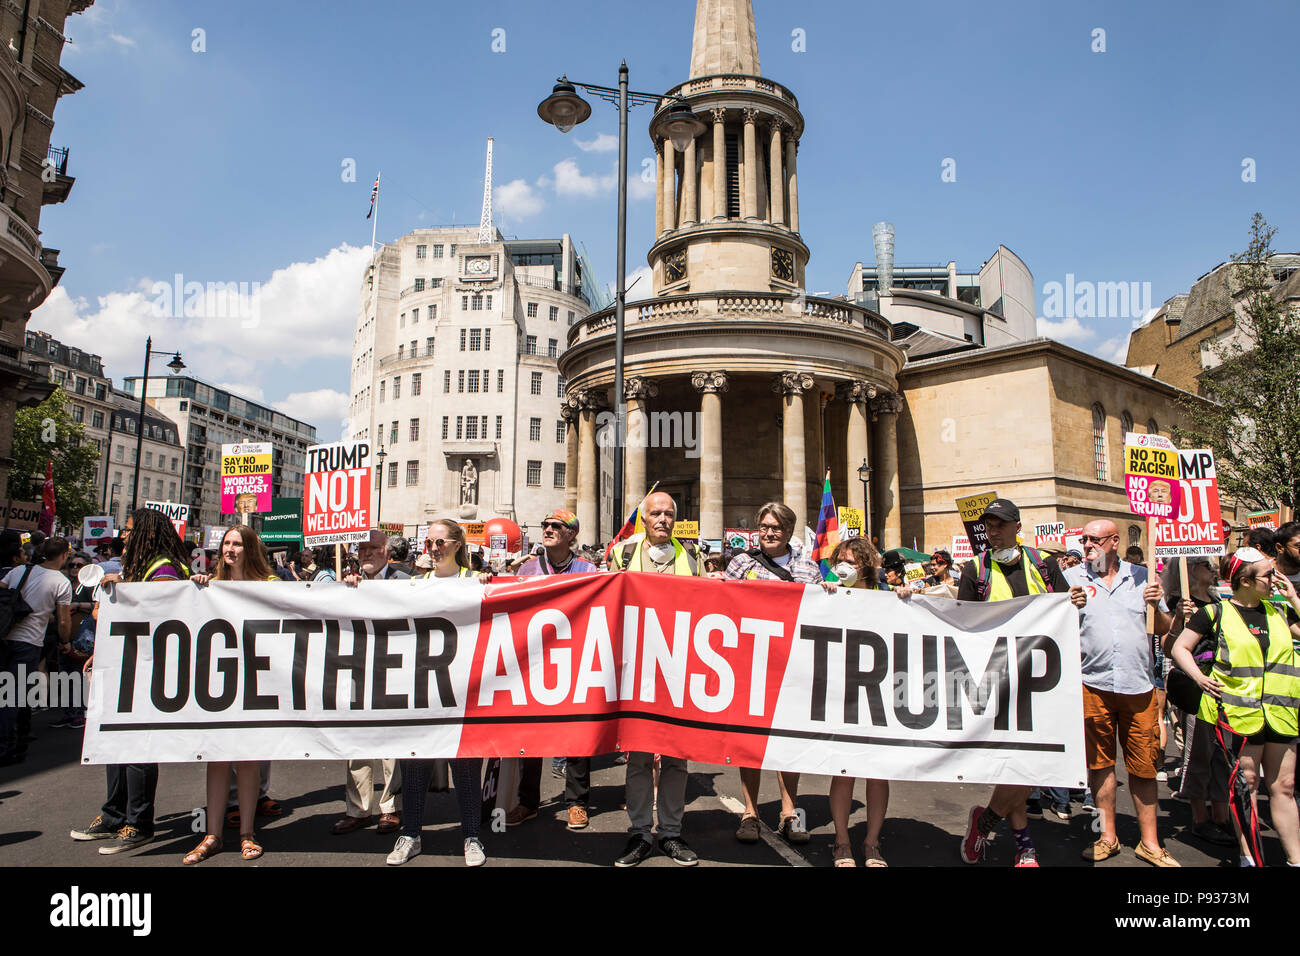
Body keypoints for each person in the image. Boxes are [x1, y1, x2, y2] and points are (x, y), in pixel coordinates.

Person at [957, 499, 1087, 867]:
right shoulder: (974, 570)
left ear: (1017, 525)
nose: (992, 531)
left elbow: (1068, 607)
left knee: (1032, 766)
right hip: (999, 680)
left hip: (1043, 678)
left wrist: (1074, 600)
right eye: (988, 526)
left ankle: (984, 822)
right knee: (1016, 765)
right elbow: (964, 624)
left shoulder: (1043, 565)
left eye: (999, 524)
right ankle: (1024, 844)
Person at [70, 508, 193, 854]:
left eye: (128, 530)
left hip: (150, 669)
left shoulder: (165, 569)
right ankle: (113, 816)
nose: (123, 536)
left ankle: (139, 822)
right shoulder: (140, 566)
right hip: (127, 663)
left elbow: (164, 615)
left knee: (138, 745)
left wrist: (121, 593)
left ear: (146, 533)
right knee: (115, 741)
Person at [1170, 547, 1300, 867]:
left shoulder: (1281, 610)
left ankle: (1296, 860)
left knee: (1284, 786)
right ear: (1245, 581)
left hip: (1281, 712)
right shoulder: (1215, 612)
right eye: (1267, 575)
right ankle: (1249, 858)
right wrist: (1200, 678)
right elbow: (1179, 647)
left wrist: (1295, 598)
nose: (1274, 579)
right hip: (1239, 713)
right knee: (1248, 784)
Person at [1064, 520, 1179, 866]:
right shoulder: (1072, 581)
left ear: (1115, 541)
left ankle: (1150, 842)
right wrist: (1067, 607)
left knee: (1144, 768)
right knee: (1099, 765)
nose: (1087, 546)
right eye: (1084, 540)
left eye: (1094, 540)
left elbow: (1163, 630)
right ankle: (1106, 835)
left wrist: (1158, 607)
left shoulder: (1143, 578)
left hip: (1138, 686)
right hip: (1092, 685)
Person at [607, 491, 701, 867]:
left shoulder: (692, 558)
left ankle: (672, 833)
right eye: (655, 514)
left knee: (678, 757)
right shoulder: (622, 555)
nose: (662, 519)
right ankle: (641, 833)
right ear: (643, 519)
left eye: (669, 514)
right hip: (638, 669)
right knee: (640, 756)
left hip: (679, 669)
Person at [386, 519, 486, 866]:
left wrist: (491, 586)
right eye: (428, 542)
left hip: (462, 691)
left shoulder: (475, 582)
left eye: (440, 541)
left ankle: (472, 835)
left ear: (458, 544)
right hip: (422, 690)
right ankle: (410, 833)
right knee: (414, 765)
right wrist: (356, 585)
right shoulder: (415, 584)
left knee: (466, 766)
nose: (433, 547)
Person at [179, 525, 281, 864]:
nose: (230, 549)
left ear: (250, 549)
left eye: (237, 544)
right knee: (217, 758)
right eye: (226, 543)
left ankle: (247, 834)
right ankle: (212, 835)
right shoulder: (211, 584)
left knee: (248, 759)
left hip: (256, 682)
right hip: (219, 684)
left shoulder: (270, 586)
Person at [723, 502, 821, 846]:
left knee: (788, 743)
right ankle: (750, 812)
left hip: (793, 668)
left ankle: (788, 813)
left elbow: (823, 614)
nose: (768, 533)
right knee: (750, 744)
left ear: (789, 532)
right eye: (764, 526)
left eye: (776, 528)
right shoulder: (740, 563)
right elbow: (723, 607)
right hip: (750, 667)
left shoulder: (808, 568)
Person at [509, 509, 597, 830]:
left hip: (573, 661)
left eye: (555, 526)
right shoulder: (529, 567)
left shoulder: (588, 569)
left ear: (571, 534)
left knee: (575, 734)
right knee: (530, 734)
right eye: (545, 524)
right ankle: (528, 801)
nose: (547, 529)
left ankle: (576, 802)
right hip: (533, 661)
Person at [817, 536, 896, 867]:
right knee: (844, 770)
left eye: (850, 560)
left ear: (866, 565)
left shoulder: (887, 597)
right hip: (842, 693)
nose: (843, 567)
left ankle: (872, 842)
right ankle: (842, 841)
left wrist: (906, 598)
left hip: (878, 694)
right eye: (839, 561)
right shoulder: (829, 593)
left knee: (878, 771)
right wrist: (820, 597)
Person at [332, 530, 406, 837]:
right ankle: (358, 810)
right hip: (358, 669)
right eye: (362, 548)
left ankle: (390, 808)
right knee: (357, 742)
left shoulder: (404, 581)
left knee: (391, 745)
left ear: (387, 552)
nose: (367, 553)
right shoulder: (348, 582)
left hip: (393, 670)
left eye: (374, 548)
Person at [1161, 556, 1235, 847]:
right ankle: (1199, 818)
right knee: (1198, 754)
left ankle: (1221, 815)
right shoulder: (1181, 603)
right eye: (1206, 564)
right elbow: (1169, 648)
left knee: (1223, 756)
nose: (1213, 568)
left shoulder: (1219, 600)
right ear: (1192, 570)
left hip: (1222, 686)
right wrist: (1179, 617)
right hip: (1196, 687)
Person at [0, 537, 71, 764]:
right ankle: (5, 746)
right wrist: (65, 641)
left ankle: (15, 740)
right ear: (63, 556)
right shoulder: (60, 582)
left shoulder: (19, 570)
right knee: (13, 695)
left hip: (4, 636)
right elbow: (63, 621)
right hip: (29, 642)